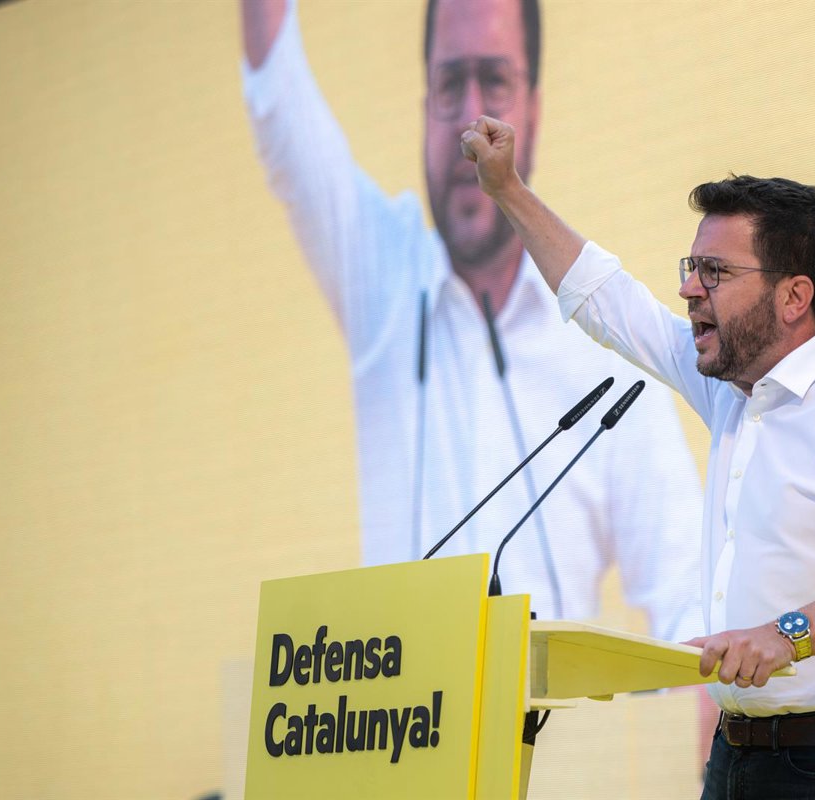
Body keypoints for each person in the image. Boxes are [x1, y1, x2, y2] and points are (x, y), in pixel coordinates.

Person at [462, 115, 815, 799]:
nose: (689, 289)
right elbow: (608, 302)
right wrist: (508, 189)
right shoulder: (732, 390)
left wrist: (789, 634)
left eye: (715, 272)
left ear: (794, 296)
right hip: (738, 759)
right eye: (691, 268)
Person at [238, 0, 703, 641]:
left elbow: (690, 603)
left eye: (496, 82)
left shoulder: (609, 352)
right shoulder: (383, 274)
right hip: (391, 701)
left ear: (534, 110)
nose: (470, 122)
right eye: (450, 83)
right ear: (424, 105)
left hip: (548, 708)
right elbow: (281, 110)